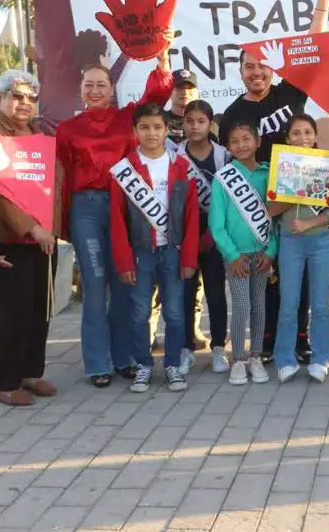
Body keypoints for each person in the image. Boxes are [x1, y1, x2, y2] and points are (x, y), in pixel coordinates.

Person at [219, 0, 329, 364]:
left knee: (293, 276)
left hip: (298, 193)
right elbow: (231, 162)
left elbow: (313, 49)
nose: (256, 72)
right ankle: (265, 343)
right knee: (268, 272)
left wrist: (321, 1)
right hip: (257, 198)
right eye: (249, 67)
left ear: (271, 69)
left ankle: (299, 341)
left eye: (262, 66)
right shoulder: (233, 114)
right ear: (240, 72)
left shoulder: (289, 92)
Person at [56, 31, 174, 388]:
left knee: (125, 282)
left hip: (126, 207)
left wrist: (163, 56)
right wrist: (57, 224)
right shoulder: (67, 129)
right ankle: (97, 364)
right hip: (86, 209)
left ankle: (124, 357)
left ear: (112, 88)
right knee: (93, 285)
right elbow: (60, 178)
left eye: (101, 85)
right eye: (88, 85)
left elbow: (158, 95)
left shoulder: (128, 119)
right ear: (81, 90)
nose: (94, 91)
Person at [0, 70, 62, 406]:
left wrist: (51, 227)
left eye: (31, 96)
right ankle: (5, 382)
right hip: (8, 239)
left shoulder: (39, 133)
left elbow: (53, 184)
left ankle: (30, 373)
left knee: (39, 309)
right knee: (13, 312)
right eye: (16, 95)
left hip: (42, 238)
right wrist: (32, 227)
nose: (24, 102)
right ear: (0, 98)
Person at [110, 103, 200, 393]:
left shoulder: (181, 166)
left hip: (172, 250)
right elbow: (117, 219)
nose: (151, 133)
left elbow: (191, 215)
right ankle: (144, 365)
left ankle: (172, 364)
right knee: (139, 313)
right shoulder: (126, 169)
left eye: (157, 127)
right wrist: (123, 262)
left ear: (167, 131)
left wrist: (189, 256)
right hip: (139, 252)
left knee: (174, 312)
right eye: (145, 127)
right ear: (135, 131)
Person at [268, 114, 329, 383]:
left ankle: (321, 357)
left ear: (315, 137)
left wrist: (310, 221)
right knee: (288, 304)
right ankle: (285, 359)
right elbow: (271, 209)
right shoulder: (280, 166)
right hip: (290, 240)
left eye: (308, 133)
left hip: (320, 239)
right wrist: (294, 190)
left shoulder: (327, 164)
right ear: (287, 138)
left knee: (320, 304)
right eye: (296, 133)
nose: (303, 138)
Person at [209, 121, 278, 386]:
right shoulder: (223, 179)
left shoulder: (269, 175)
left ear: (258, 141)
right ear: (228, 147)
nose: (241, 145)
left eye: (246, 138)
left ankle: (256, 356)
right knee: (241, 306)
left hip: (261, 254)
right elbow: (217, 225)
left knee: (259, 307)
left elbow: (275, 221)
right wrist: (232, 254)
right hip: (235, 257)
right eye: (234, 141)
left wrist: (271, 252)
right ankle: (238, 359)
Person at [178, 100, 231, 373]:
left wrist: (214, 232)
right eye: (190, 121)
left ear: (210, 124)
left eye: (201, 121)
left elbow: (230, 200)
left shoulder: (223, 156)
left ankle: (219, 347)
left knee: (215, 292)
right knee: (185, 292)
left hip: (215, 233)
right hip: (185, 234)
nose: (195, 126)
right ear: (183, 123)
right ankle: (186, 347)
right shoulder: (176, 155)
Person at [166, 69, 199, 147]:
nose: (185, 92)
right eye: (180, 88)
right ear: (169, 92)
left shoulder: (206, 123)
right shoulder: (160, 121)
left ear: (197, 93)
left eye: (190, 88)